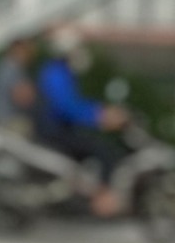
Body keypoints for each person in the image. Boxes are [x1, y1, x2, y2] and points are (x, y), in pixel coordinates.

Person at [33, 26, 128, 216]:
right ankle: (102, 200)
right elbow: (67, 106)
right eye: (77, 49)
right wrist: (100, 115)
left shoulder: (60, 72)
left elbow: (73, 104)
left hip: (58, 128)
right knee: (103, 151)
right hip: (55, 130)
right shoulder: (56, 73)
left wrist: (99, 112)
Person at [0, 36, 36, 132]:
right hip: (11, 122)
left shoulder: (1, 66)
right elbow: (23, 98)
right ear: (19, 49)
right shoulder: (13, 68)